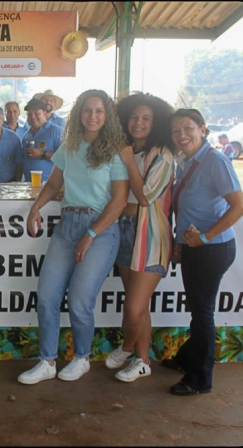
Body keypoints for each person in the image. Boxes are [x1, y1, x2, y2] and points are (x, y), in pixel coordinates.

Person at [18, 89, 129, 384]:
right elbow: (54, 182)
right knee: (47, 296)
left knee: (79, 300)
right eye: (87, 110)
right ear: (79, 114)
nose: (93, 116)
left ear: (107, 116)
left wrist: (91, 233)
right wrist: (35, 208)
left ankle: (82, 358)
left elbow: (119, 200)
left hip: (101, 230)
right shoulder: (69, 146)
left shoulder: (116, 150)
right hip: (67, 225)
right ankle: (48, 361)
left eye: (99, 111)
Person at [163, 108, 243, 396]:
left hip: (213, 249)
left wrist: (205, 237)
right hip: (193, 247)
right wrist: (180, 242)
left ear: (203, 129)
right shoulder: (186, 162)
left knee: (202, 313)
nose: (182, 135)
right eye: (176, 131)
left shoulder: (215, 161)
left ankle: (198, 379)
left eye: (188, 128)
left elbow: (239, 206)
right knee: (197, 308)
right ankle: (187, 358)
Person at [103, 93, 176, 382]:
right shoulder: (124, 149)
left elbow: (145, 197)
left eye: (146, 118)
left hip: (150, 235)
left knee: (133, 308)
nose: (138, 122)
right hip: (122, 229)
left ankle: (126, 347)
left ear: (156, 122)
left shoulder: (163, 155)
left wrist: (127, 160)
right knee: (138, 305)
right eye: (133, 116)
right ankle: (143, 360)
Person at [20, 96, 63, 181]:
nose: (33, 117)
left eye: (36, 113)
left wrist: (42, 154)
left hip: (49, 186)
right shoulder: (26, 135)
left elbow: (65, 159)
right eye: (29, 114)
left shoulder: (56, 131)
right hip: (28, 186)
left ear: (44, 113)